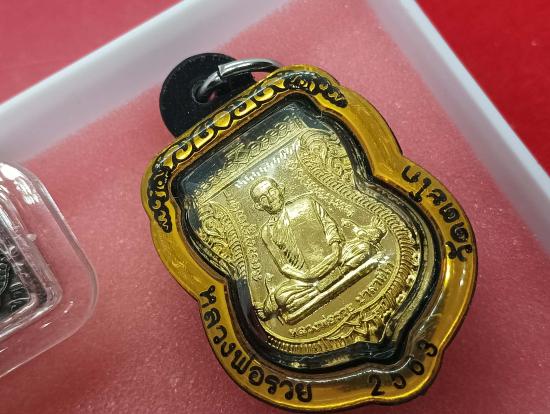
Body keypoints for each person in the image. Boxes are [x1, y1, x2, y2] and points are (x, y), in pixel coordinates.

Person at [250, 177, 385, 322]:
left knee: (362, 248)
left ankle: (317, 290)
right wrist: (306, 276)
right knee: (282, 296)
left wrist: (335, 252)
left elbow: (330, 227)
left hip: (337, 259)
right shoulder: (267, 232)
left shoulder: (307, 203)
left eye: (271, 191)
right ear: (258, 206)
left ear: (280, 189)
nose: (270, 199)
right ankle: (329, 280)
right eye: (263, 198)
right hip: (305, 280)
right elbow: (283, 265)